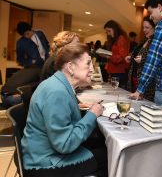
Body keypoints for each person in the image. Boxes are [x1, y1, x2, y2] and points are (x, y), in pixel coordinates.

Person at [21, 43, 107, 177]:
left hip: (40, 153)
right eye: (88, 63)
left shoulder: (57, 84)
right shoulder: (57, 92)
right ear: (70, 67)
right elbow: (64, 144)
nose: (92, 69)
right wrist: (92, 115)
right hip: (45, 164)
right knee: (109, 154)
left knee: (100, 142)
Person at [125, 16, 156, 101]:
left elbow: (155, 60)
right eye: (143, 27)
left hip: (146, 82)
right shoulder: (145, 39)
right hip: (135, 78)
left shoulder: (155, 41)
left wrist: (143, 60)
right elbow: (138, 54)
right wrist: (130, 57)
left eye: (147, 27)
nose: (144, 30)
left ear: (154, 27)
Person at [103, 20, 130, 88]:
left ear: (114, 29)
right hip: (115, 70)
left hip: (119, 71)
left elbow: (121, 57)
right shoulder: (115, 39)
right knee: (114, 91)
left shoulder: (121, 38)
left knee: (117, 91)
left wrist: (108, 56)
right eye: (107, 32)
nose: (108, 34)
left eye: (109, 31)